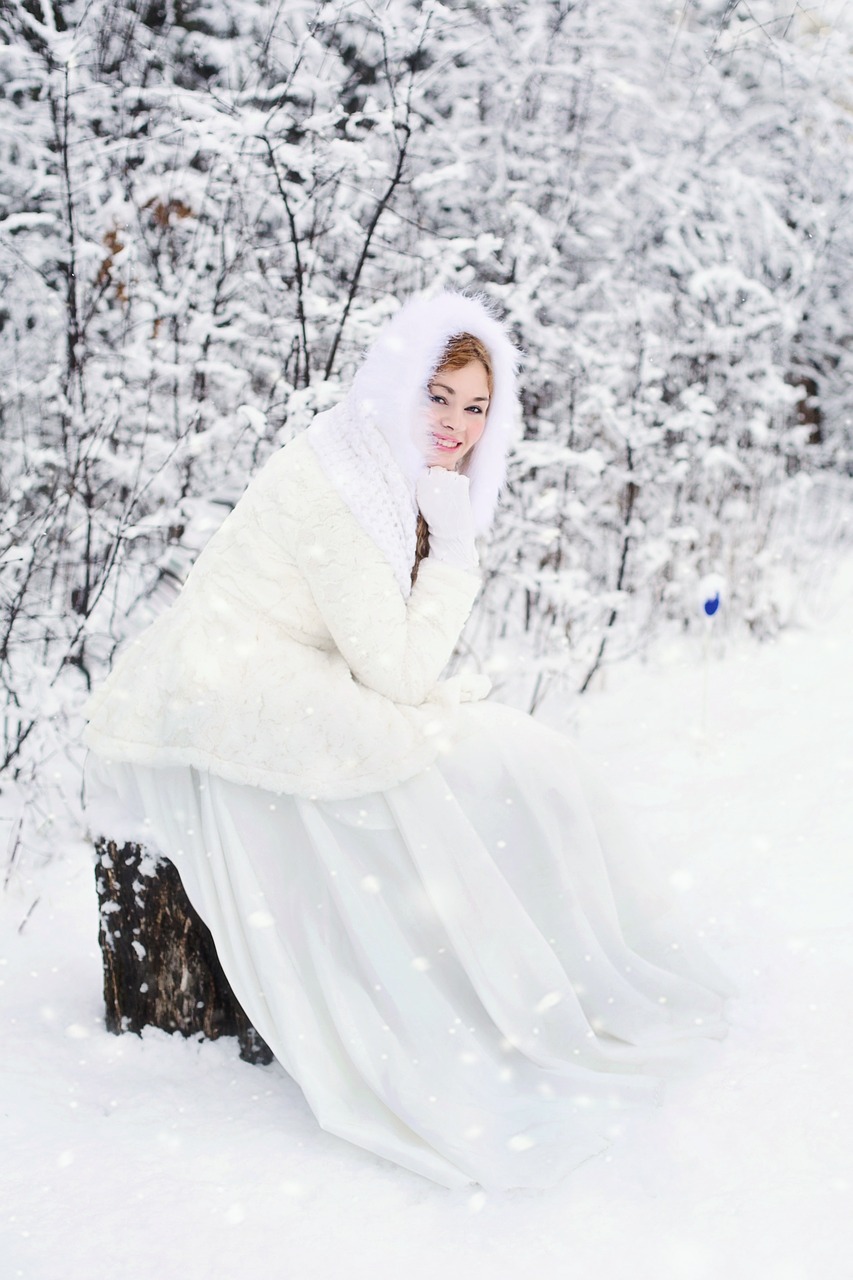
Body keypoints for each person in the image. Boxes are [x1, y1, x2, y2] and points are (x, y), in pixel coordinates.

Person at [83, 291, 734, 1191]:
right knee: (447, 766)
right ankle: (479, 990)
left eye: (477, 408)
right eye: (440, 396)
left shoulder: (378, 464)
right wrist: (455, 551)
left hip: (263, 667)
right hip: (233, 679)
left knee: (506, 758)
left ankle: (533, 969)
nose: (455, 427)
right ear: (398, 384)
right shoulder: (346, 487)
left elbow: (393, 660)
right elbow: (396, 671)